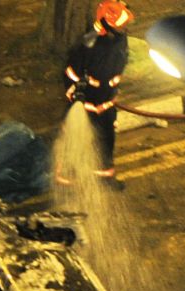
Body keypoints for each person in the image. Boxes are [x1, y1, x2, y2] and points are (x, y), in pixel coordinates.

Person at [64, 1, 133, 189]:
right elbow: (71, 73)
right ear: (108, 25)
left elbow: (120, 63)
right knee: (77, 140)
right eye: (121, 25)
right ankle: (69, 180)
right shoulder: (88, 44)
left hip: (107, 102)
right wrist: (75, 91)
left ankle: (104, 177)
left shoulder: (119, 39)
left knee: (106, 140)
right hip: (87, 102)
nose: (124, 28)